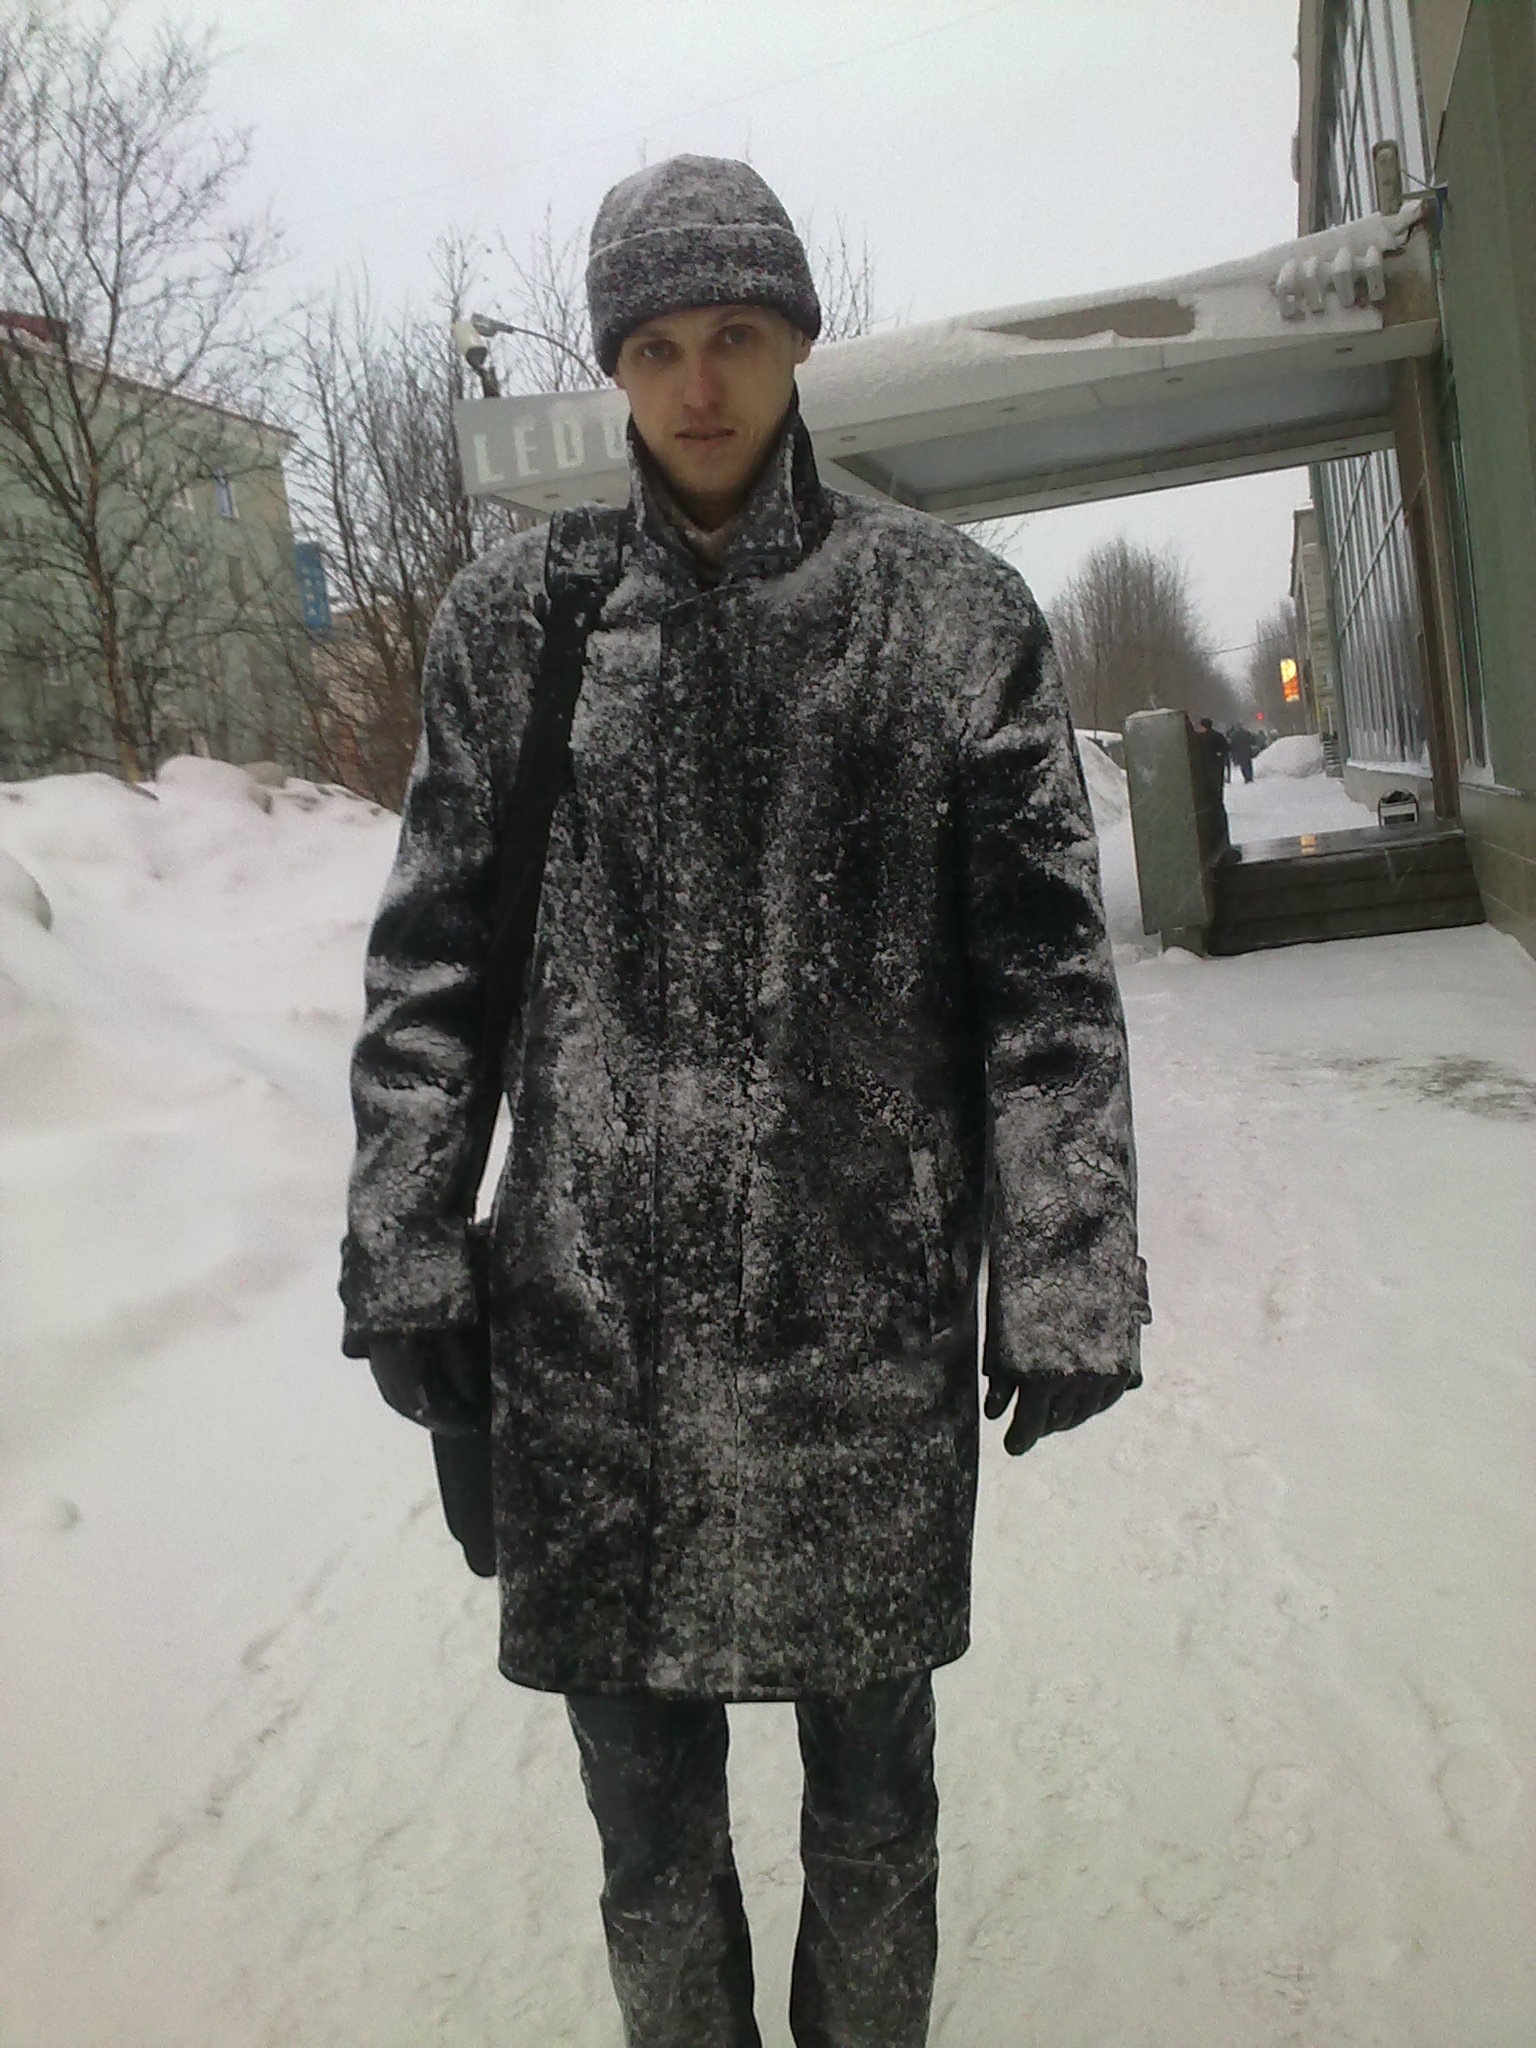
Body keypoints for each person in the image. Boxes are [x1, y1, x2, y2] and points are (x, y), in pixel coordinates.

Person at [340, 155, 1148, 2048]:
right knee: (646, 1834)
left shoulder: (948, 621)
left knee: (873, 1808)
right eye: (655, 348)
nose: (697, 384)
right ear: (615, 368)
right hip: (593, 1343)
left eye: (735, 336)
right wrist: (406, 1249)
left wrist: (1067, 1267)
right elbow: (434, 964)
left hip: (850, 1332)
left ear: (793, 343)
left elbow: (1045, 986)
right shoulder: (516, 630)